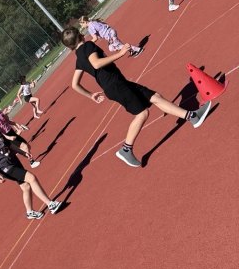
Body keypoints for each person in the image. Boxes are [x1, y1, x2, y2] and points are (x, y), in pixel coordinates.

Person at [60, 26, 212, 168]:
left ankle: (193, 116)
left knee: (155, 97)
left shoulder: (79, 59)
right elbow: (96, 64)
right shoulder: (88, 46)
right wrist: (120, 53)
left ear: (69, 47)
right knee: (142, 113)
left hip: (116, 85)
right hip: (116, 86)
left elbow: (74, 84)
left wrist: (90, 95)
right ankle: (126, 149)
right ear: (80, 35)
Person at [0, 111, 62, 220]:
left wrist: (23, 152)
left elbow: (8, 144)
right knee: (32, 178)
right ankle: (50, 204)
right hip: (5, 167)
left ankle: (30, 212)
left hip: (13, 160)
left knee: (25, 186)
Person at [0, 101, 39, 168]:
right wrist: (9, 138)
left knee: (28, 146)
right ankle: (32, 162)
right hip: (7, 136)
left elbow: (7, 121)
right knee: (24, 146)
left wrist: (16, 124)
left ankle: (19, 152)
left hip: (11, 132)